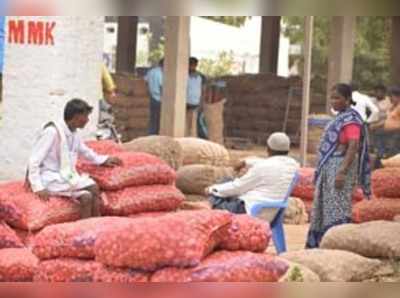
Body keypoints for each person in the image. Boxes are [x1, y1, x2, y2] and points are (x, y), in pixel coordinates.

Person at [26, 99, 122, 219]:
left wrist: (103, 160)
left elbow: (85, 151)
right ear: (76, 116)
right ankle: (97, 221)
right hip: (50, 178)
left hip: (65, 176)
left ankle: (87, 228)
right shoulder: (52, 132)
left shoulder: (74, 133)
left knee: (87, 197)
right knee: (93, 187)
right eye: (85, 116)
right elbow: (34, 160)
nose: (87, 120)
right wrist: (38, 187)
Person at [306, 83, 371, 249]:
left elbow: (353, 145)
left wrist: (341, 172)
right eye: (332, 97)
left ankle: (337, 244)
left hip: (340, 167)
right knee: (325, 206)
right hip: (331, 166)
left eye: (337, 98)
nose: (333, 101)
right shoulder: (341, 117)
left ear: (348, 99)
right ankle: (322, 244)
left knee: (337, 207)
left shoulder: (351, 120)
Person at [206, 132, 299, 222]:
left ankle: (205, 205)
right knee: (224, 186)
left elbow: (238, 188)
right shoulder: (293, 166)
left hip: (248, 210)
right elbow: (270, 163)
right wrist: (246, 162)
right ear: (288, 150)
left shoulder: (263, 167)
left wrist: (211, 189)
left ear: (268, 149)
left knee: (217, 195)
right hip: (271, 212)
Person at [369, 84, 392, 159]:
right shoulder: (371, 100)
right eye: (376, 91)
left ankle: (380, 155)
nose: (378, 93)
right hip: (371, 125)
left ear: (384, 92)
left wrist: (376, 125)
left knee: (380, 137)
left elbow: (389, 117)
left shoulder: (389, 101)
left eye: (380, 92)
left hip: (383, 126)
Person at [186, 57, 205, 137]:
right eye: (191, 65)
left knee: (194, 124)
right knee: (186, 123)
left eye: (194, 65)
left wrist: (201, 102)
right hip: (186, 102)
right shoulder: (184, 75)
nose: (192, 67)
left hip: (195, 102)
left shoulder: (201, 77)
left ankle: (194, 137)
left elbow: (203, 90)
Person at [145, 59, 164, 135]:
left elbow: (145, 81)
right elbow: (162, 86)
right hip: (159, 99)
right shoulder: (160, 73)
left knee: (153, 119)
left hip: (152, 97)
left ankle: (151, 135)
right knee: (158, 121)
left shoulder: (151, 71)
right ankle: (154, 136)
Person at [384, 86, 400, 156]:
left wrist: (395, 128)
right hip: (390, 135)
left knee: (393, 154)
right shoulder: (392, 106)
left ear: (398, 96)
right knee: (389, 153)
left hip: (397, 135)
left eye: (392, 96)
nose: (390, 98)